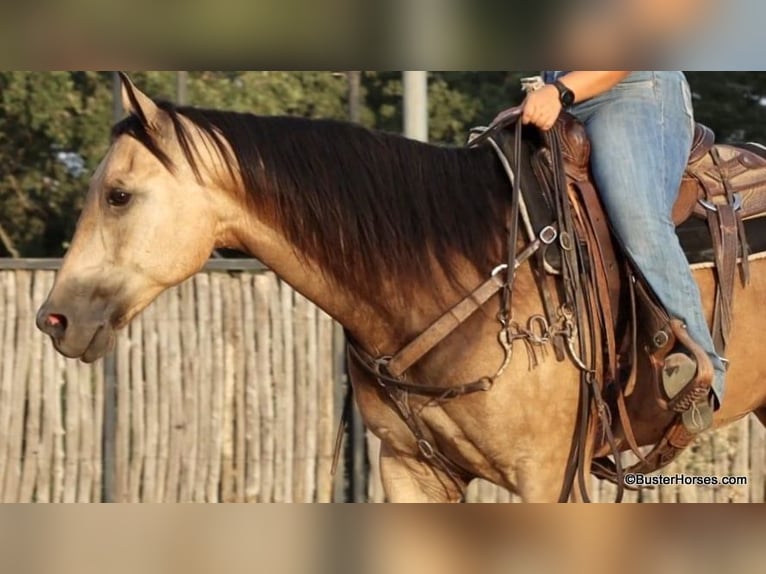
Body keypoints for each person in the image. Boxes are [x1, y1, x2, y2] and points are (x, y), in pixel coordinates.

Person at [514, 71, 725, 432]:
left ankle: (700, 366)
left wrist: (561, 91)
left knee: (636, 216)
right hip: (555, 97)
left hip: (631, 91)